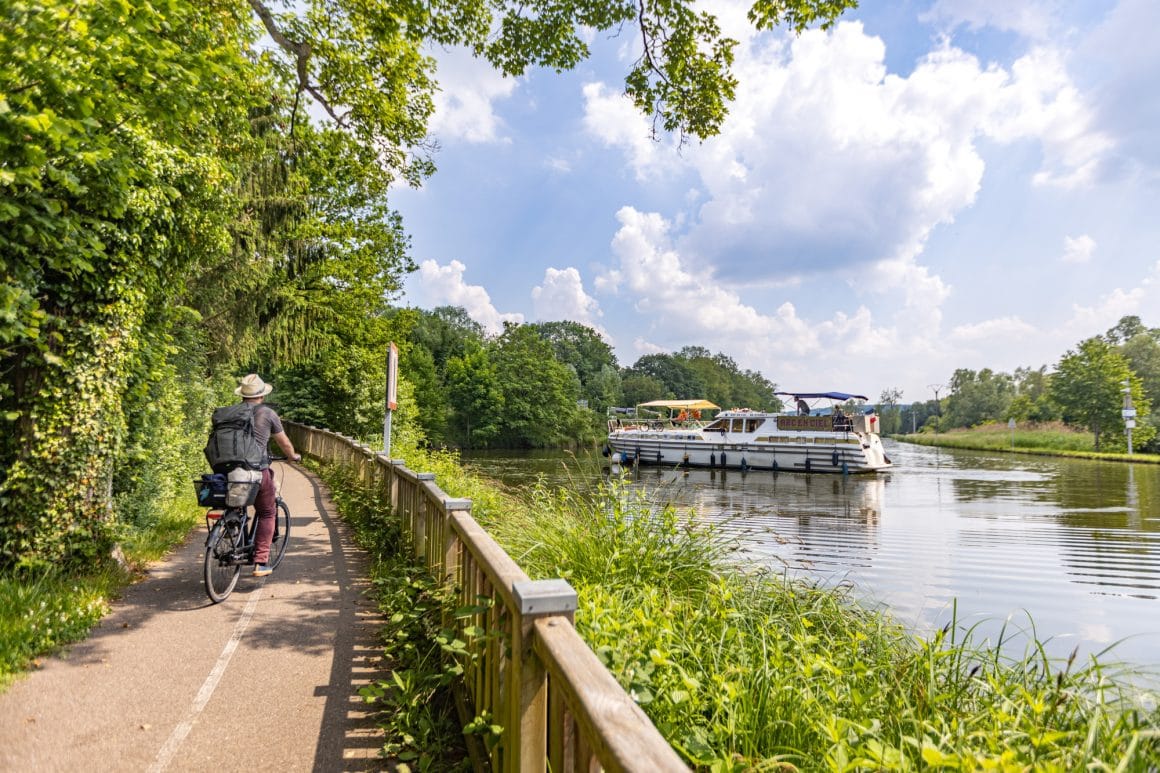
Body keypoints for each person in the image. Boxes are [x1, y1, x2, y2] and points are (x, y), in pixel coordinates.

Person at [235, 373, 301, 577]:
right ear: (261, 396)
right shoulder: (268, 413)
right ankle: (261, 562)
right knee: (267, 512)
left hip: (228, 469)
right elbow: (284, 442)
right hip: (256, 470)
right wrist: (293, 456)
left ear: (242, 396)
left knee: (236, 506)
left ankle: (232, 533)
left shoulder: (231, 413)